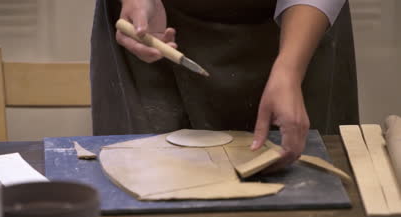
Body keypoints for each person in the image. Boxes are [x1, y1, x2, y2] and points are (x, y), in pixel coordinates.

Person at [90, 0, 359, 170]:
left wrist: (289, 69)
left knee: (308, 186)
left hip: (303, 20)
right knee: (145, 184)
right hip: (149, 24)